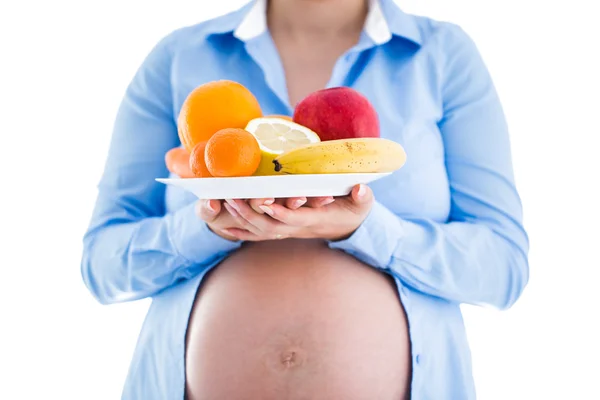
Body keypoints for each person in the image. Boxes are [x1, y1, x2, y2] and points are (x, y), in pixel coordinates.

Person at [80, 0, 530, 398]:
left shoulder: (443, 55)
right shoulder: (179, 57)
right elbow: (103, 265)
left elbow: (502, 270)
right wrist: (204, 228)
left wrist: (366, 230)